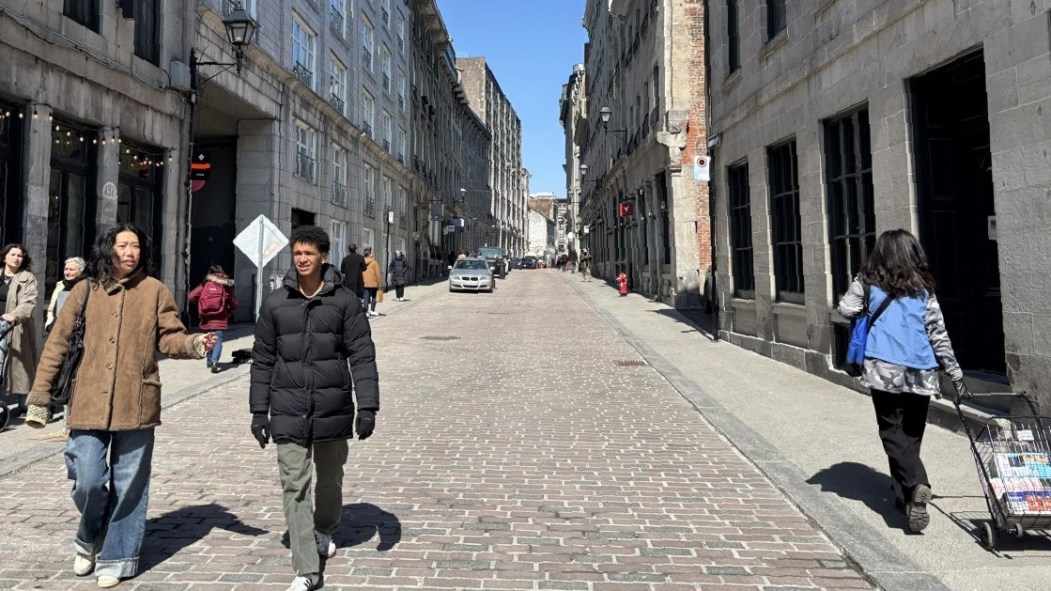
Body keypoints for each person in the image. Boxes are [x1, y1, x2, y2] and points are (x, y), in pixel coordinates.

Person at [24, 223, 216, 588]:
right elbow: (57, 344)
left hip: (137, 399)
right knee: (88, 480)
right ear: (108, 248)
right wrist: (40, 397)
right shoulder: (85, 290)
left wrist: (194, 345)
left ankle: (117, 556)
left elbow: (170, 337)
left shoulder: (155, 291)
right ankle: (89, 536)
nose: (130, 252)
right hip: (87, 398)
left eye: (136, 246)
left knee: (129, 484)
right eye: (122, 245)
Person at [249, 225, 379, 591]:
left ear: (323, 256)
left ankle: (325, 528)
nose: (302, 259)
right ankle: (306, 568)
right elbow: (262, 360)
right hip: (288, 407)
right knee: (295, 485)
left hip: (332, 407)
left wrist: (367, 406)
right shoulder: (275, 303)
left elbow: (362, 356)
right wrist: (259, 412)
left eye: (309, 253)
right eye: (297, 253)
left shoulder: (345, 301)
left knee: (330, 480)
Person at [837, 228, 970, 534]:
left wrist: (865, 308)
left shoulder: (868, 281)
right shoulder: (924, 288)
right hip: (921, 368)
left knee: (891, 432)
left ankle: (916, 483)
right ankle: (906, 499)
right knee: (911, 434)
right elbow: (939, 333)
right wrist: (955, 372)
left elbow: (846, 309)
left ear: (881, 253)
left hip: (884, 366)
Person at [1, 243, 39, 419]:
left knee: (20, 366)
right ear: (4, 257)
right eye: (13, 254)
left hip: (14, 326)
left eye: (20, 255)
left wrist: (14, 315)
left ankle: (24, 403)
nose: (17, 258)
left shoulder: (27, 278)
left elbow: (29, 301)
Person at [187, 264, 238, 374]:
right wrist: (229, 312)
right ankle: (215, 362)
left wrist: (200, 304)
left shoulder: (204, 284)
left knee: (209, 339)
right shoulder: (226, 286)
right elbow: (234, 302)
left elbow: (190, 297)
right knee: (218, 340)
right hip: (220, 317)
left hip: (206, 318)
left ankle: (209, 361)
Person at [45, 257, 87, 334]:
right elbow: (51, 308)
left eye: (71, 270)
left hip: (77, 332)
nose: (67, 272)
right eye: (66, 269)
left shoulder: (86, 287)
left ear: (81, 271)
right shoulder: (61, 285)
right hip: (57, 329)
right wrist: (49, 325)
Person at [361, 246, 382, 317]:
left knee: (366, 297)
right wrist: (379, 283)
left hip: (365, 282)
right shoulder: (374, 262)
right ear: (370, 254)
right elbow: (378, 274)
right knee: (374, 296)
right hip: (373, 283)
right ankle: (372, 310)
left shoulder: (362, 262)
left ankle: (366, 311)